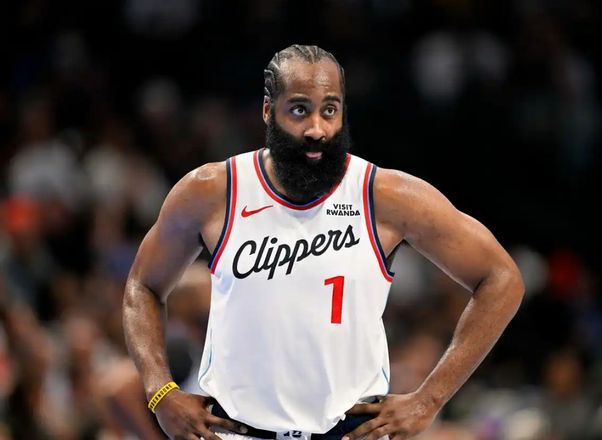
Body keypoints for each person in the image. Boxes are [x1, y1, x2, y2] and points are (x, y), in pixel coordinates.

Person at [122, 44, 525, 440]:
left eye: (329, 110)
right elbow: (142, 285)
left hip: (349, 431)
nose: (317, 129)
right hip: (236, 431)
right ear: (268, 110)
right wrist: (161, 393)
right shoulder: (213, 191)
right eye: (300, 110)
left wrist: (429, 400)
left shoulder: (386, 196)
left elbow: (502, 278)